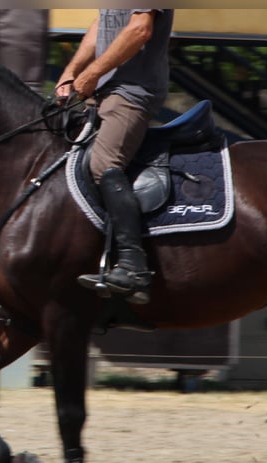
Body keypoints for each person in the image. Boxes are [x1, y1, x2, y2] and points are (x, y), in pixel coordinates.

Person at [55, 9, 174, 304]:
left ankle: (134, 268)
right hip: (103, 88)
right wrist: (72, 71)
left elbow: (139, 30)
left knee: (103, 164)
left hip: (132, 90)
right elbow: (103, 24)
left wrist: (91, 74)